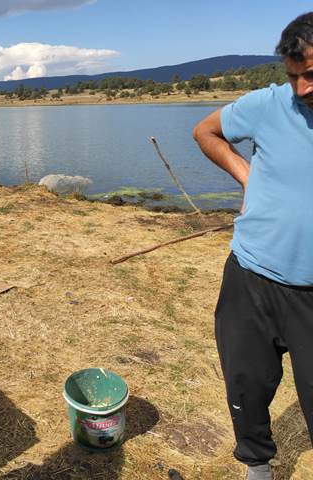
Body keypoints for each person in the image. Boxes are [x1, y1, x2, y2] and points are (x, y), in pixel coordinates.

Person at [193, 12, 313, 480]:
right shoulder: (267, 105)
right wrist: (248, 177)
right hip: (251, 275)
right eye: (293, 77)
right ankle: (257, 467)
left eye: (312, 75)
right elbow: (206, 132)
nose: (302, 88)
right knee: (246, 381)